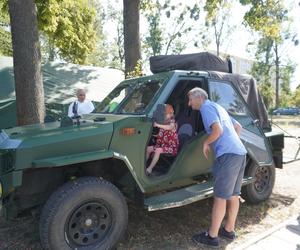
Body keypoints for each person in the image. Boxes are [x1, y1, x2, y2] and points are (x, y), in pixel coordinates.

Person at [187, 87, 247, 248]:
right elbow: (238, 127)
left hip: (228, 156)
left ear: (198, 97)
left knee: (220, 197)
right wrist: (232, 143)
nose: (189, 103)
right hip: (240, 153)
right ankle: (229, 230)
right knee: (234, 195)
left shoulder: (206, 108)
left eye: (190, 99)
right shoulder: (217, 106)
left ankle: (212, 236)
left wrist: (206, 142)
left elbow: (218, 131)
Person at [146, 104, 179, 175]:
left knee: (158, 150)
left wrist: (158, 125)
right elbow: (161, 135)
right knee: (148, 149)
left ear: (170, 114)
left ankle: (150, 169)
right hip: (162, 145)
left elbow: (170, 127)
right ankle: (143, 165)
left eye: (165, 114)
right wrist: (153, 135)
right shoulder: (162, 122)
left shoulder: (172, 122)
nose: (163, 116)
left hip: (171, 148)